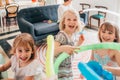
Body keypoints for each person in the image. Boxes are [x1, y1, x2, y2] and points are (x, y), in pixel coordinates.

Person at [54, 9, 85, 80]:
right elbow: (53, 51)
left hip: (68, 65)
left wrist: (79, 43)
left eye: (75, 20)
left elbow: (72, 49)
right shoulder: (61, 35)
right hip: (60, 66)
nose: (72, 22)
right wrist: (64, 48)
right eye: (69, 19)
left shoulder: (74, 34)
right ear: (64, 22)